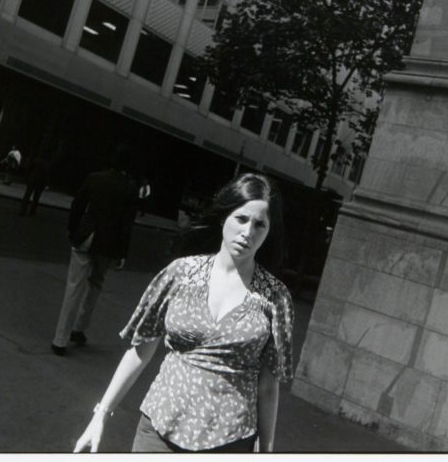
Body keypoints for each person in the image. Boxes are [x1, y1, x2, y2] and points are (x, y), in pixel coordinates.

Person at [73, 173, 293, 453]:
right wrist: (101, 414)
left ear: (268, 232)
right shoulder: (181, 274)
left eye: (259, 224)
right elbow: (140, 350)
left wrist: (267, 450)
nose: (248, 232)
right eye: (241, 219)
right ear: (224, 217)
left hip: (230, 439)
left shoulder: (275, 297)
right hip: (159, 430)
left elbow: (268, 386)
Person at [51, 145, 139, 356]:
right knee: (95, 286)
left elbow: (78, 205)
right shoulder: (130, 188)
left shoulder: (95, 178)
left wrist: (72, 230)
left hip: (86, 236)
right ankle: (79, 329)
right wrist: (123, 253)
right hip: (109, 245)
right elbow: (127, 223)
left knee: (74, 286)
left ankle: (59, 339)